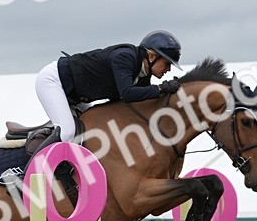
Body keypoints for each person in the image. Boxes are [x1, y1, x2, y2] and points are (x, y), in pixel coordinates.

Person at [33, 30, 183, 145]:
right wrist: (162, 88)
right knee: (67, 133)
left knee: (93, 131)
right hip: (53, 80)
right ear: (152, 56)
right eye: (167, 63)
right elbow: (127, 94)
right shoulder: (125, 57)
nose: (168, 70)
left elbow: (140, 103)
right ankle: (34, 169)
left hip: (76, 94)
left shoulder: (142, 76)